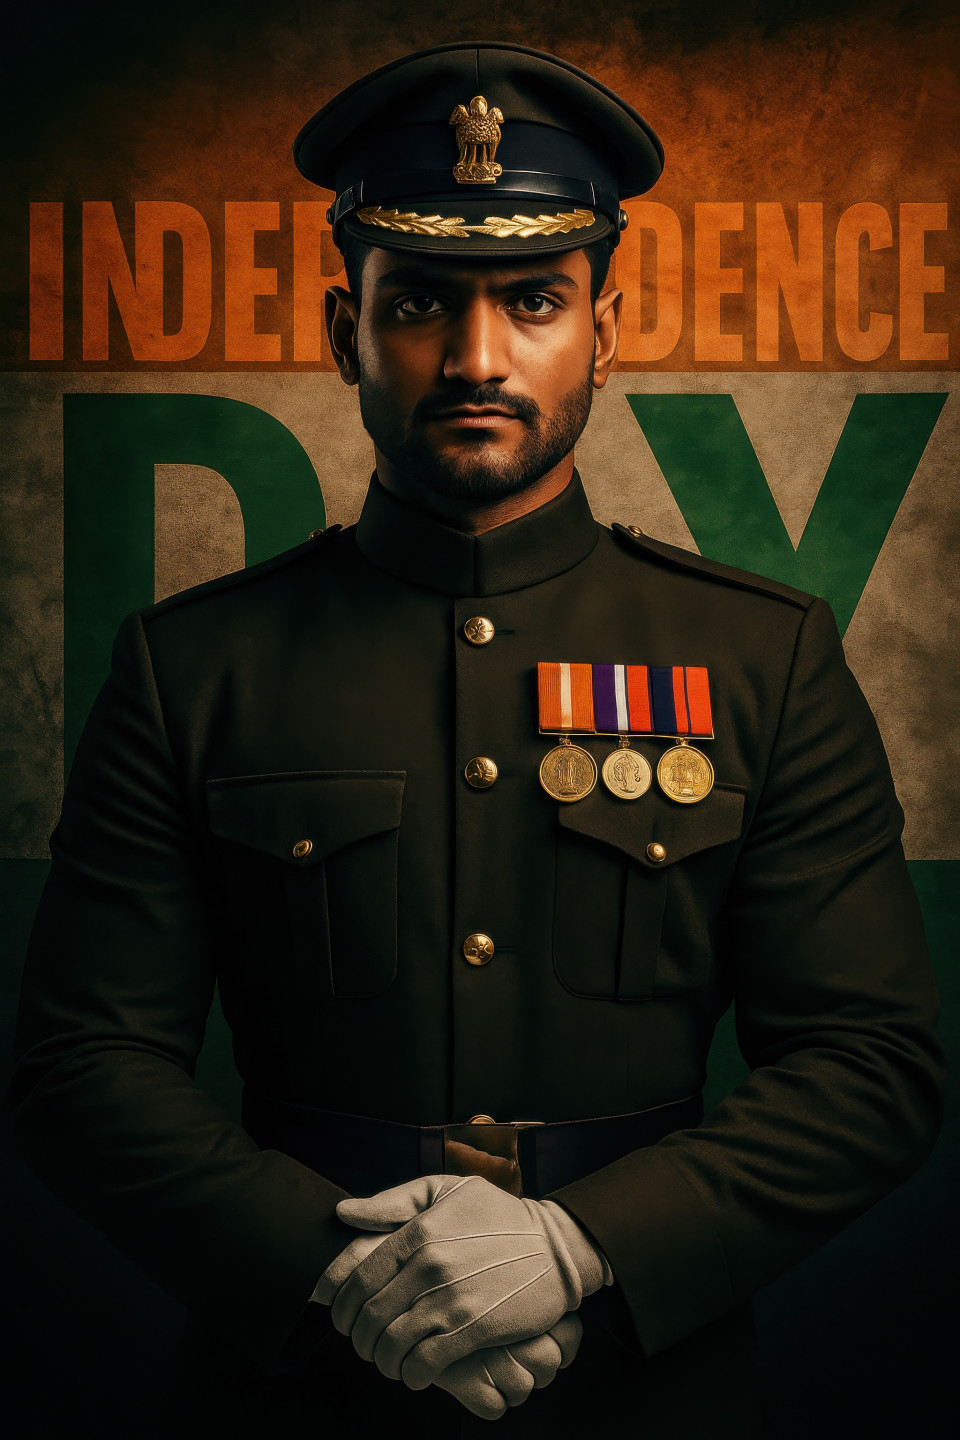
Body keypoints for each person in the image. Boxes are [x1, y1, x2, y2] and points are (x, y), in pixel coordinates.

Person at [10, 41, 944, 1439]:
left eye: (536, 300)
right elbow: (82, 1068)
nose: (476, 357)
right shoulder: (191, 667)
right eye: (421, 303)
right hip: (297, 1394)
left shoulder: (763, 656)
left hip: (648, 1387)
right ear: (344, 331)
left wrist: (579, 1248)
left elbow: (874, 1063)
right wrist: (349, 1283)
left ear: (607, 335)